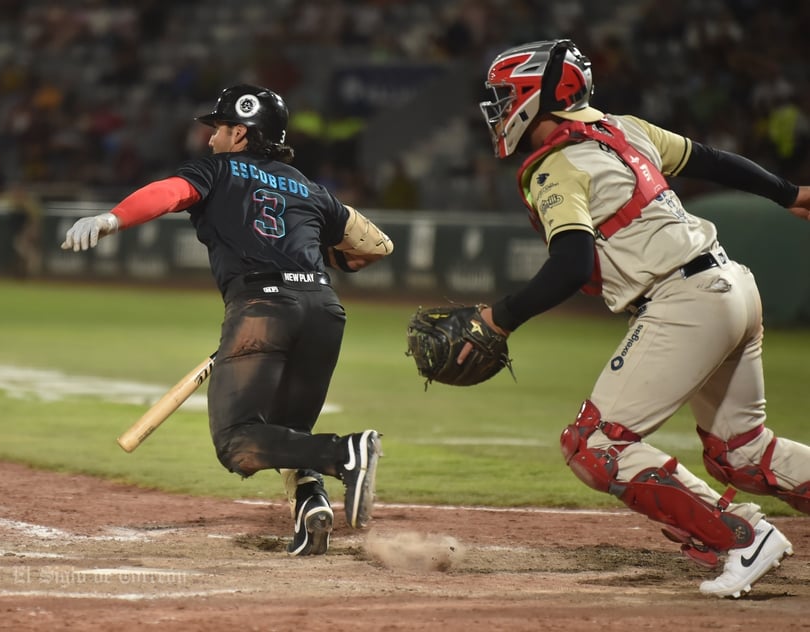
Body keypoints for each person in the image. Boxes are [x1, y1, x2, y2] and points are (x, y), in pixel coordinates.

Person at [471, 39, 810, 598]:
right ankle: (737, 531)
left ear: (540, 94)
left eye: (506, 94)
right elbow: (711, 159)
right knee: (743, 453)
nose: (498, 106)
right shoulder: (623, 127)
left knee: (595, 445)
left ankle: (741, 539)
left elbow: (571, 262)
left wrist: (500, 318)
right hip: (731, 285)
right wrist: (788, 192)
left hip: (685, 301)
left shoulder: (554, 164)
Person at [60, 84, 394, 556]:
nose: (211, 138)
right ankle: (311, 508)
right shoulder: (310, 188)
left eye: (217, 129)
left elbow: (169, 193)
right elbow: (378, 246)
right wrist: (314, 256)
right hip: (323, 309)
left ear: (240, 133)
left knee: (238, 443)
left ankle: (346, 453)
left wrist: (113, 218)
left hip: (261, 307)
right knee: (288, 437)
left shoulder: (215, 169)